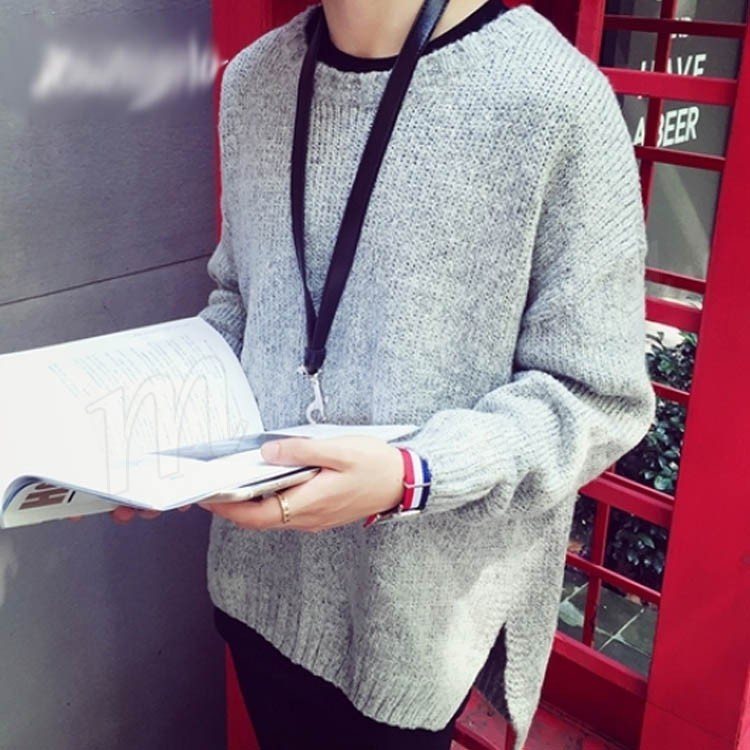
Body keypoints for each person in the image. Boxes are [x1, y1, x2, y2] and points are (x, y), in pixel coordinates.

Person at [116, 1, 656, 747]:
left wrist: (415, 475)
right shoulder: (252, 82)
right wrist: (148, 437)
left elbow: (597, 395)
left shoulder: (554, 100)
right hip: (255, 584)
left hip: (411, 622)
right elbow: (243, 299)